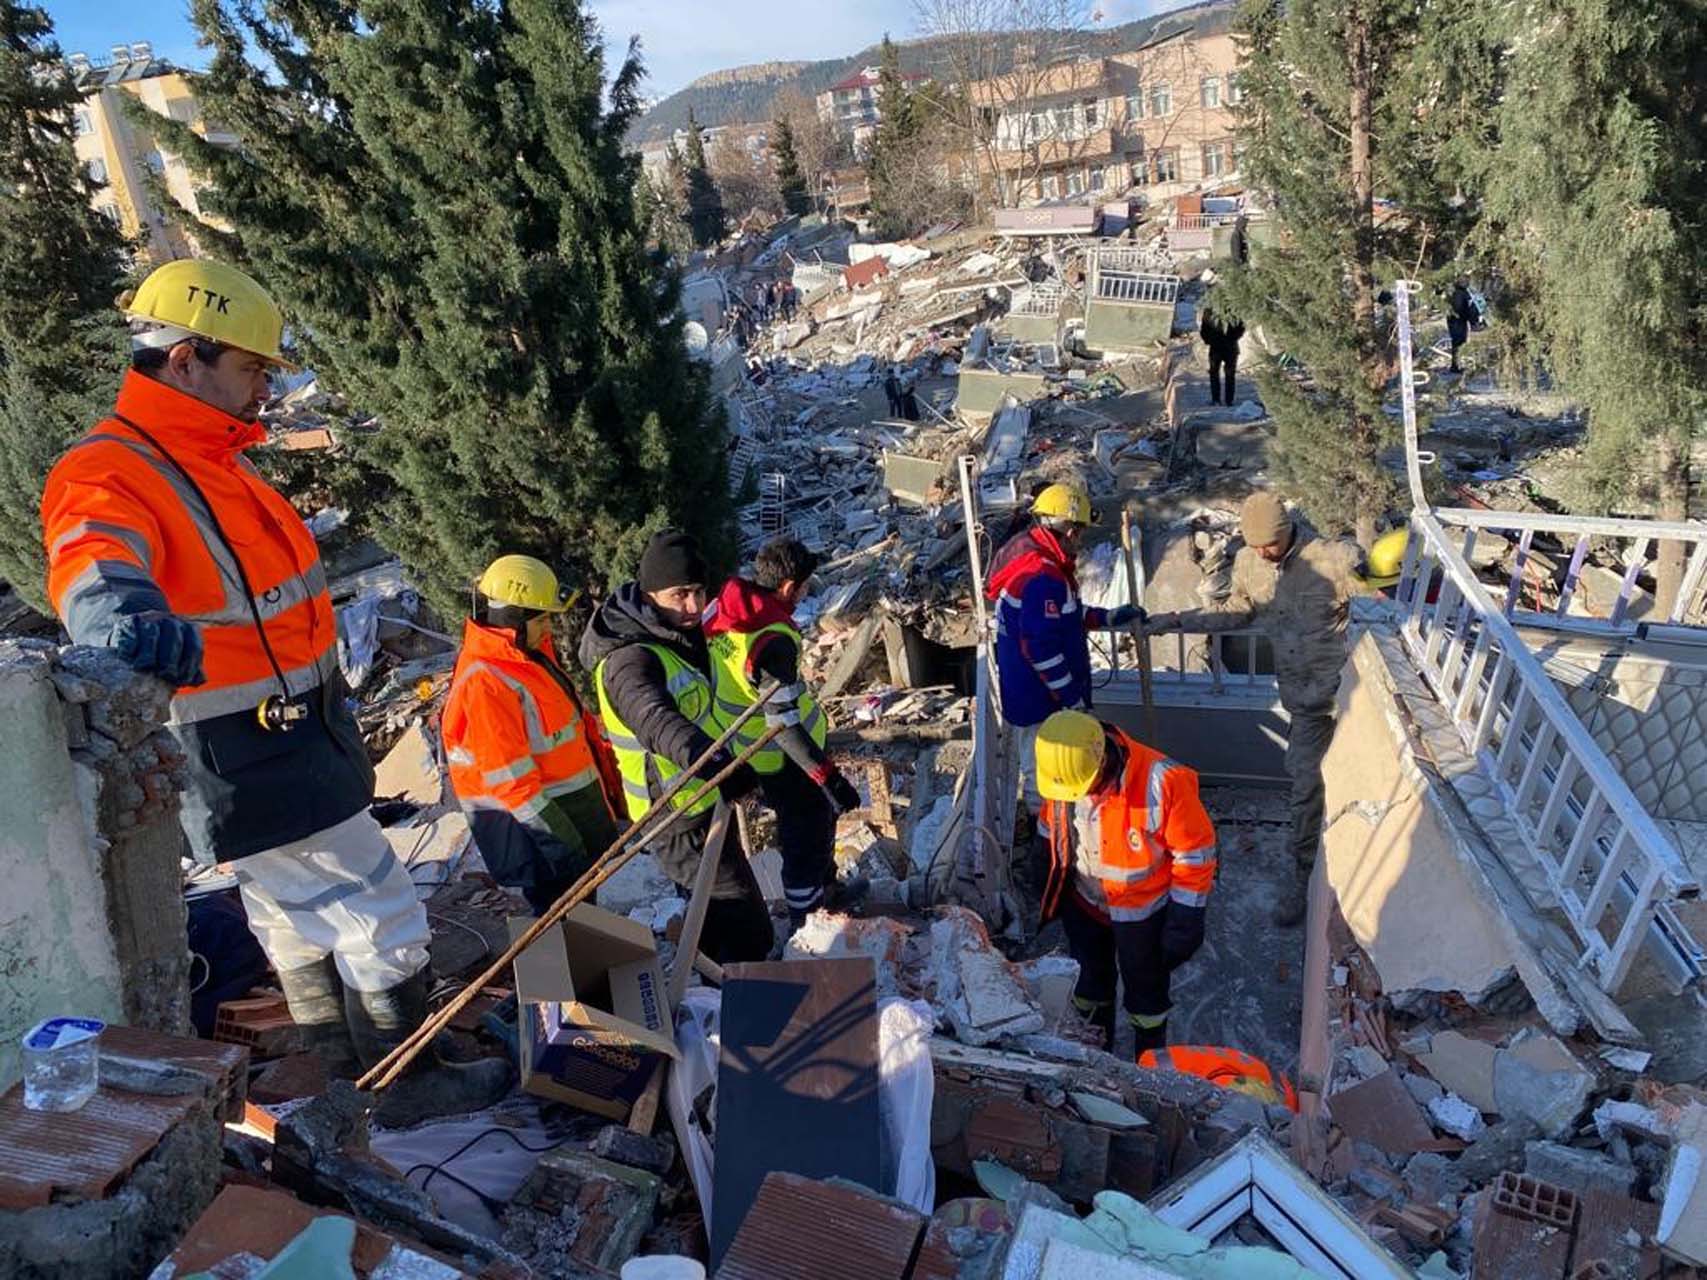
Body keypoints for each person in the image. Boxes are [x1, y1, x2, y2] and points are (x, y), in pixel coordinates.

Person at [41, 259, 507, 1125]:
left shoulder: (209, 461)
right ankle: (409, 1081)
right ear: (185, 359)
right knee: (378, 906)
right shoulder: (112, 468)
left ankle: (347, 1073)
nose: (264, 387)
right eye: (252, 367)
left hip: (287, 734)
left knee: (295, 916)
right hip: (247, 746)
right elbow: (92, 556)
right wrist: (121, 619)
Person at [1144, 492, 1366, 927]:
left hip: (1352, 699)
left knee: (1353, 789)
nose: (1265, 551)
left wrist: (1365, 563)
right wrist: (1177, 621)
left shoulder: (1329, 560)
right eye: (1257, 544)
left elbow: (1380, 595)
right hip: (1307, 705)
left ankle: (1344, 874)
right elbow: (1237, 612)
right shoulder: (1248, 564)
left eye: (1272, 543)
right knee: (1304, 783)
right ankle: (1303, 877)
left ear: (1287, 533)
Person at [578, 529, 774, 965]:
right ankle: (734, 1005)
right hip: (674, 812)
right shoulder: (629, 660)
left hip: (701, 796)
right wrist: (718, 763)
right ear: (650, 594)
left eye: (698, 592)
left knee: (721, 914)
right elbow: (657, 722)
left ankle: (716, 987)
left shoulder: (674, 634)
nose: (692, 606)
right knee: (743, 926)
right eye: (679, 594)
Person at [1033, 710, 1217, 1056]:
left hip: (1142, 917)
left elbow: (1195, 854)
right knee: (1088, 988)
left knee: (1146, 998)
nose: (1078, 797)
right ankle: (1096, 1053)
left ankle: (1146, 1061)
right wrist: (1043, 867)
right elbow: (1051, 826)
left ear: (1102, 759)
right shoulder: (1064, 774)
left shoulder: (1162, 781)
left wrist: (1186, 918)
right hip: (1086, 907)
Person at [442, 555, 618, 915]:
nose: (549, 627)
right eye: (542, 618)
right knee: (566, 925)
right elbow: (511, 781)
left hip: (566, 819)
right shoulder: (487, 681)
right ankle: (575, 971)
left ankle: (589, 967)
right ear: (516, 620)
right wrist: (559, 843)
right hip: (541, 834)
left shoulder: (524, 658)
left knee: (587, 922)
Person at [704, 537, 862, 932]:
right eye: (805, 585)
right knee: (803, 837)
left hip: (757, 750)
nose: (807, 592)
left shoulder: (726, 612)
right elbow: (783, 723)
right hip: (783, 759)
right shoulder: (771, 641)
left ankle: (828, 892)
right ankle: (808, 927)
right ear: (789, 586)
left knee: (816, 824)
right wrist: (828, 777)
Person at [985, 482, 1141, 810]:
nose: (1081, 542)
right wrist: (1071, 699)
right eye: (1081, 533)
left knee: (1047, 771)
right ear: (1069, 531)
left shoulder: (1038, 562)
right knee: (1046, 777)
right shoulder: (1043, 577)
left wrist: (1108, 617)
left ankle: (1051, 836)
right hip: (1040, 702)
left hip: (1033, 694)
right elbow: (1041, 648)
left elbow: (1063, 617)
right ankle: (1047, 847)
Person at [1199, 298, 1246, 407]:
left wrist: (1209, 340)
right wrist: (1232, 338)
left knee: (1214, 373)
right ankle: (1228, 401)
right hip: (1230, 347)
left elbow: (1204, 329)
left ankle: (1216, 400)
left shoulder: (1209, 311)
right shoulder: (1234, 311)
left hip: (1216, 347)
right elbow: (1241, 328)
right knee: (1229, 374)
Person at [1446, 280, 1475, 373]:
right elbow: (1460, 308)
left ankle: (1456, 365)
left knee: (1457, 342)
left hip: (1456, 320)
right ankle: (1455, 365)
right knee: (1458, 342)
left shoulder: (1457, 293)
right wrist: (1470, 319)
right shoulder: (1461, 293)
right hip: (1458, 321)